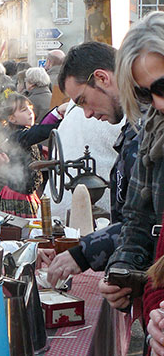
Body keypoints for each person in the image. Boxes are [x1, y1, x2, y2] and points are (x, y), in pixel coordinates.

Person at [98, 11, 164, 356]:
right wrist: (125, 271)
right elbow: (138, 217)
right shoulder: (153, 131)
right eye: (144, 95)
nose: (156, 104)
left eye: (161, 87)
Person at [45, 41, 140, 288]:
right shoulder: (134, 128)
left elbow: (148, 220)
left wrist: (85, 253)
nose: (87, 114)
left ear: (102, 78)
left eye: (84, 100)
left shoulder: (148, 126)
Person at [0, 92, 62, 217]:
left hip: (28, 193)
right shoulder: (16, 135)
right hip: (18, 195)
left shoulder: (22, 133)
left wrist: (40, 148)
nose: (30, 112)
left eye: (31, 108)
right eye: (24, 110)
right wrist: (61, 125)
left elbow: (28, 141)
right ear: (12, 118)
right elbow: (36, 133)